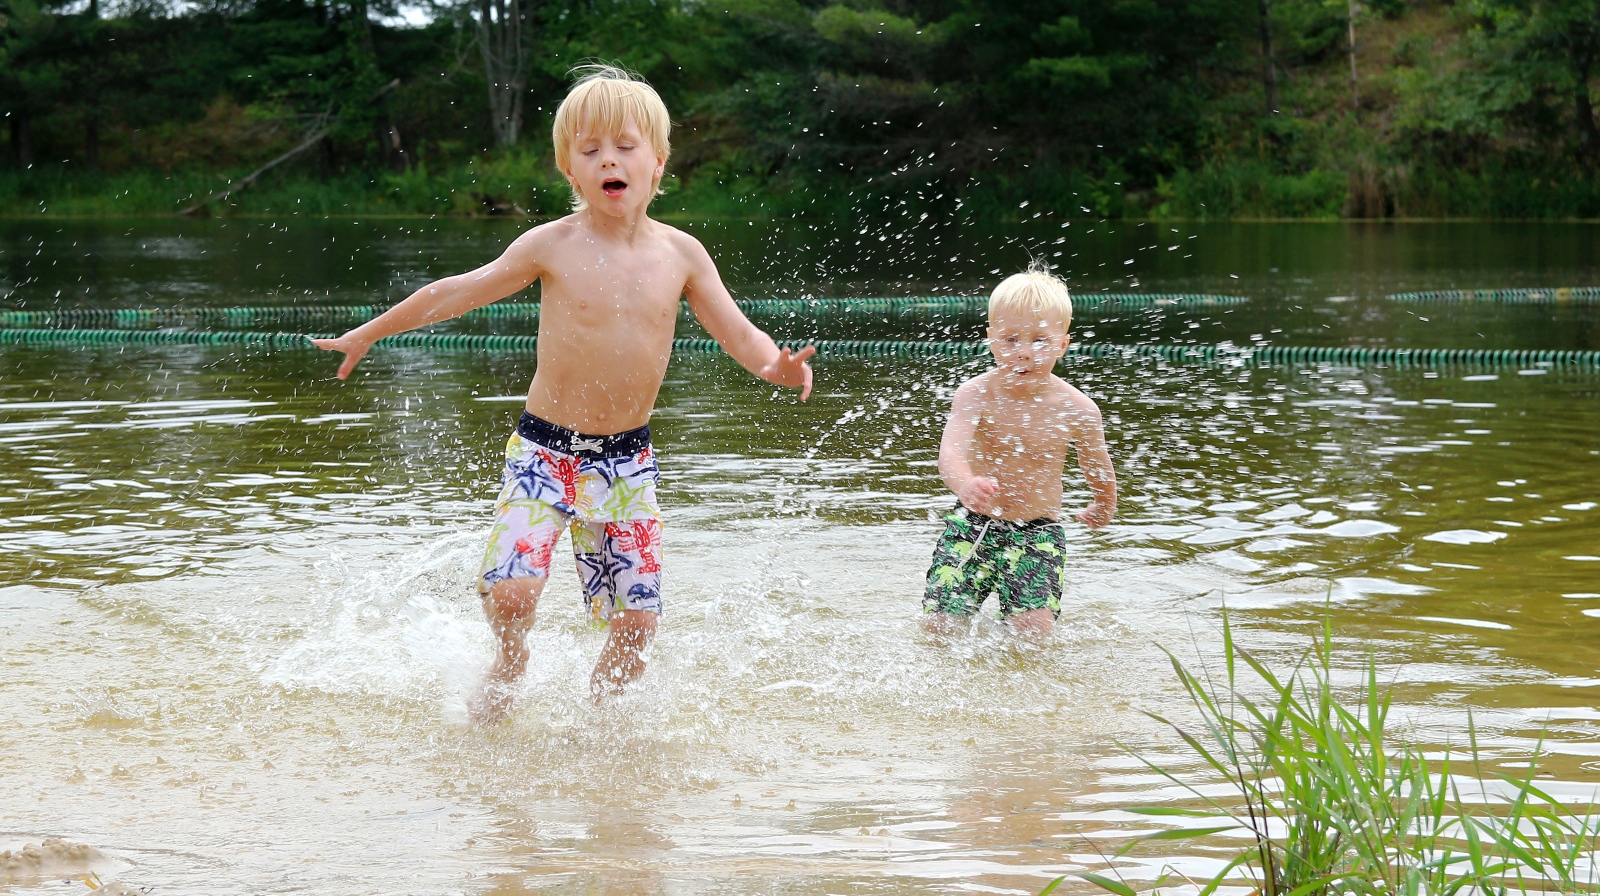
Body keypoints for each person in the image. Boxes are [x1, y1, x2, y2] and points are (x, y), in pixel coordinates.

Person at [311, 65, 815, 720]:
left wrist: (777, 366)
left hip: (627, 463)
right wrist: (371, 333)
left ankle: (602, 732)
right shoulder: (551, 245)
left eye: (626, 147)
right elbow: (456, 291)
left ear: (657, 163)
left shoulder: (683, 255)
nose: (610, 160)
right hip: (545, 453)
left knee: (637, 623)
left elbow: (737, 332)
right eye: (590, 151)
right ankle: (510, 658)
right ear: (570, 172)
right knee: (516, 593)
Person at [922, 266, 1116, 640]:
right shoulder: (975, 394)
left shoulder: (1078, 409)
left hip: (1038, 533)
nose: (1024, 353)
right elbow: (950, 452)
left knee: (1033, 635)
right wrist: (965, 484)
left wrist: (1104, 503)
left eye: (1040, 341)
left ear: (1063, 345)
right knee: (940, 628)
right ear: (991, 340)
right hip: (972, 524)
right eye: (1011, 340)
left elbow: (1096, 463)